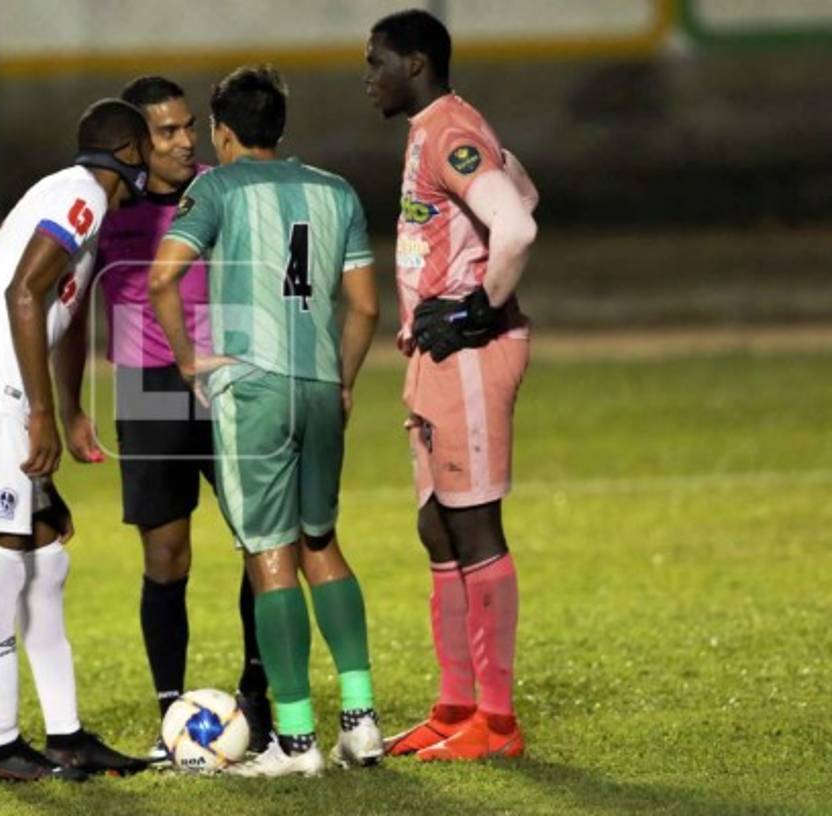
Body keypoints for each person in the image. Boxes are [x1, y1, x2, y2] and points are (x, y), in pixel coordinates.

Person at [149, 65, 383, 777]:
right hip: (319, 384)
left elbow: (162, 276)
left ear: (222, 131)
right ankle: (362, 722)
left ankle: (295, 740)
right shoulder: (334, 189)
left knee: (270, 556)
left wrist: (190, 361)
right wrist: (340, 382)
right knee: (323, 544)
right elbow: (366, 306)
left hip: (253, 390)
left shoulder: (215, 187)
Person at [0, 98, 153, 782]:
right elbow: (25, 293)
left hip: (2, 397)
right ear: (131, 154)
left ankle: (68, 737)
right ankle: (0, 746)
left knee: (46, 563)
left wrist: (72, 406)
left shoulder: (81, 204)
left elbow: (64, 310)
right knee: (0, 563)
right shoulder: (80, 192)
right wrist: (42, 415)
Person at [364, 9, 539, 761]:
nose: (367, 75)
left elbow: (518, 227)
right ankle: (455, 705)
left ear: (414, 62)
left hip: (469, 353)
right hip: (432, 357)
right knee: (437, 526)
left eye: (376, 61)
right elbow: (526, 193)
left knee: (473, 527)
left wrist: (477, 306)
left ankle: (496, 726)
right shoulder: (439, 127)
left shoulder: (449, 132)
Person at [93, 75, 271, 764]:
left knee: (261, 541)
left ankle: (257, 695)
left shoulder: (219, 191)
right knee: (167, 554)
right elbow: (73, 299)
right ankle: (172, 710)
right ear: (137, 143)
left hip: (226, 374)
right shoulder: (112, 206)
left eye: (188, 126)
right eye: (166, 132)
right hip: (149, 384)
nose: (185, 140)